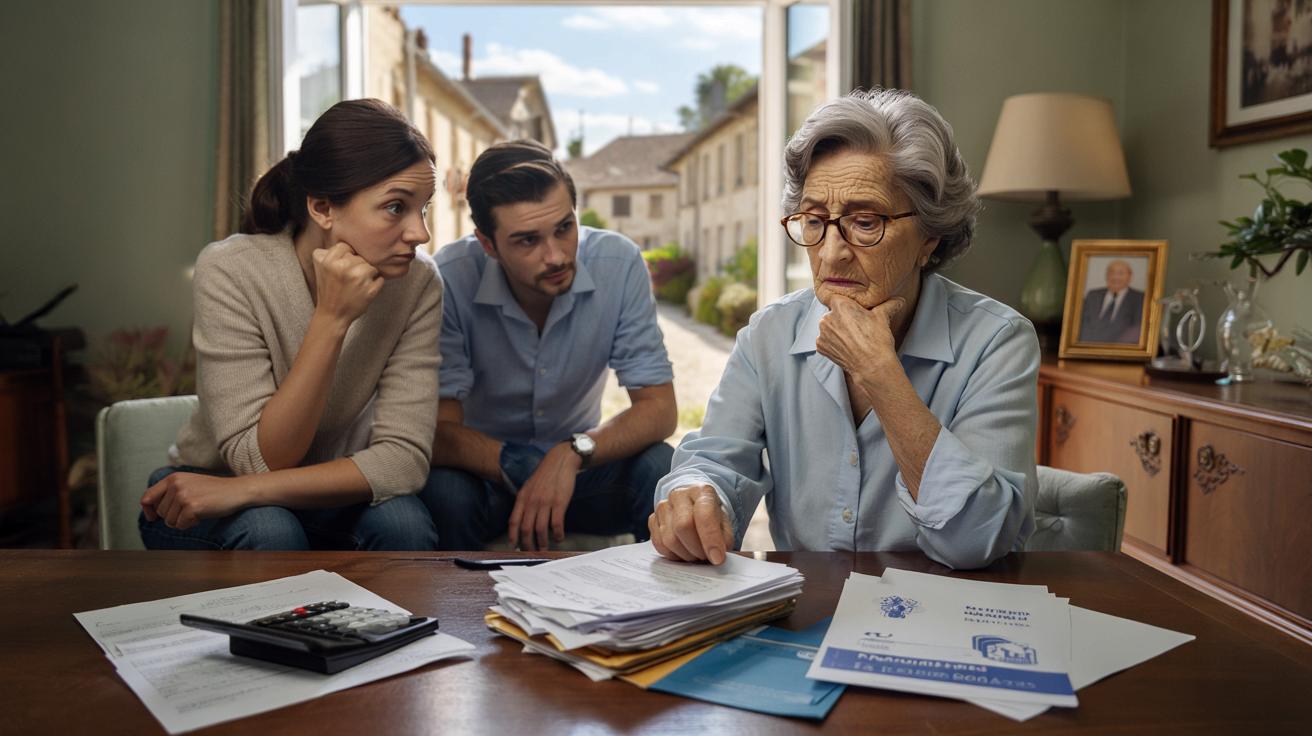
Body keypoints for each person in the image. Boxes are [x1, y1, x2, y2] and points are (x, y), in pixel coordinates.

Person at [649, 89, 1039, 570]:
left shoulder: (997, 342)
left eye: (865, 222)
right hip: (804, 602)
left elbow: (978, 539)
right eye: (814, 221)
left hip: (940, 605)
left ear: (929, 237)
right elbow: (715, 461)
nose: (831, 254)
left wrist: (880, 373)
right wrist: (697, 495)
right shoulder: (769, 334)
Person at [139, 99, 443, 550]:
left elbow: (404, 462)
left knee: (404, 524)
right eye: (396, 207)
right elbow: (258, 460)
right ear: (322, 208)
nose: (420, 234)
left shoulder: (417, 283)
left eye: (424, 209)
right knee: (271, 530)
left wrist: (243, 491)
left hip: (307, 489)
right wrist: (332, 318)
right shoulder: (232, 270)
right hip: (204, 486)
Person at [421, 140, 676, 551]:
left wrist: (571, 453)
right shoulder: (449, 278)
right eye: (527, 241)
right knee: (444, 491)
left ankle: (665, 593)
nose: (555, 256)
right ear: (488, 244)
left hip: (580, 473)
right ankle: (460, 594)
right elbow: (438, 433)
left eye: (564, 228)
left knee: (661, 465)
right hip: (486, 474)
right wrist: (517, 462)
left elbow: (660, 410)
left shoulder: (618, 263)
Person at [1078, 259, 1144, 344]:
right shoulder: (1092, 295)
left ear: (1130, 277)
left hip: (1120, 348)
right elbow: (1082, 324)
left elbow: (1137, 329)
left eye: (1120, 273)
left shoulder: (1140, 298)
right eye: (1111, 273)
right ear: (1106, 276)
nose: (1115, 277)